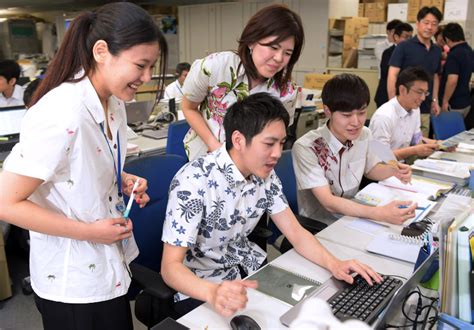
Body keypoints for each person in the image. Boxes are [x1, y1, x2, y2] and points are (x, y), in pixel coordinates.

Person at [0, 3, 168, 329]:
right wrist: (89, 232)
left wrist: (120, 179)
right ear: (101, 51)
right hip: (72, 283)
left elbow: (81, 163)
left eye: (152, 67)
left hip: (108, 268)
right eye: (141, 65)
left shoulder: (113, 102)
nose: (147, 77)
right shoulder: (62, 112)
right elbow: (6, 203)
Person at [161, 92, 382, 317]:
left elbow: (294, 231)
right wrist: (213, 292)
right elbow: (170, 268)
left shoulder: (263, 174)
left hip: (249, 272)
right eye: (269, 144)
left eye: (281, 143)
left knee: (315, 311)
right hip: (203, 286)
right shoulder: (194, 181)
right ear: (238, 140)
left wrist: (335, 264)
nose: (277, 154)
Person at [182, 4, 303, 161]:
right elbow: (188, 107)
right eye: (273, 47)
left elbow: (277, 134)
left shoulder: (286, 91)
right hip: (205, 158)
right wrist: (215, 147)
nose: (279, 58)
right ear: (252, 42)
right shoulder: (215, 67)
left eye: (287, 53)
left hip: (253, 168)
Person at [292, 74, 415, 226]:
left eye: (362, 113)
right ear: (327, 111)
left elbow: (370, 170)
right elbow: (328, 202)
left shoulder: (365, 134)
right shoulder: (307, 147)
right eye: (346, 115)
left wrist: (395, 171)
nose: (356, 122)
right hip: (321, 224)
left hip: (354, 214)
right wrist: (379, 213)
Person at [387, 6, 443, 137]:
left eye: (434, 24)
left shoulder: (437, 50)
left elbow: (435, 76)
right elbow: (392, 74)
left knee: (421, 146)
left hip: (425, 107)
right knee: (402, 145)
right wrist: (393, 103)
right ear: (418, 24)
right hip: (404, 106)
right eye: (426, 22)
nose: (429, 27)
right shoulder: (404, 46)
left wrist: (435, 101)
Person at [370, 67, 439, 161]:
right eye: (419, 92)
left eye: (425, 93)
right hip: (383, 169)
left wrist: (439, 144)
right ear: (402, 90)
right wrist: (414, 150)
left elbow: (416, 139)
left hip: (401, 166)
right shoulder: (384, 116)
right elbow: (381, 157)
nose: (423, 98)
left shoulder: (415, 109)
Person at [374, 22, 413, 108]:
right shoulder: (388, 52)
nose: (409, 40)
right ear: (396, 37)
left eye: (411, 37)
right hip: (386, 96)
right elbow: (387, 73)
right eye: (406, 37)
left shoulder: (412, 53)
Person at [440, 23, 474, 118]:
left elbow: (452, 80)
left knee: (448, 132)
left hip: (453, 104)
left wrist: (445, 101)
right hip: (466, 102)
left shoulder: (454, 54)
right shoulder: (469, 50)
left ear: (447, 39)